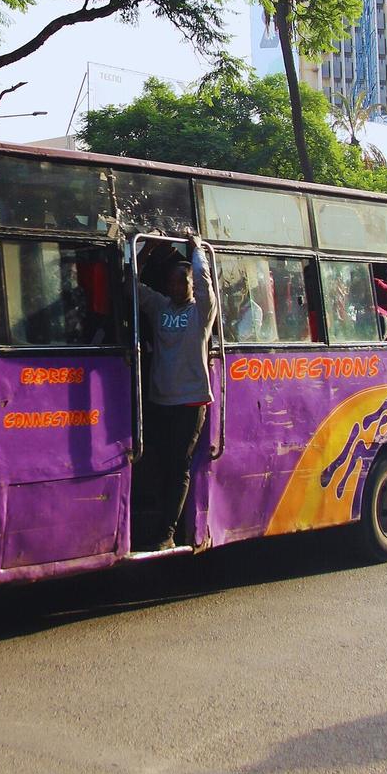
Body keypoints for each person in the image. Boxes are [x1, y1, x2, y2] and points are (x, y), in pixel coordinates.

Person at [135, 233, 218, 551]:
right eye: (170, 282)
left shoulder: (201, 312)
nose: (173, 287)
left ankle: (167, 532)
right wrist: (144, 253)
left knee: (178, 466)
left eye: (179, 282)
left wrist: (196, 248)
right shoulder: (159, 306)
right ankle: (158, 524)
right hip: (160, 398)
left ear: (190, 285)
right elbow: (133, 286)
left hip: (191, 400)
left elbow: (204, 281)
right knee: (159, 461)